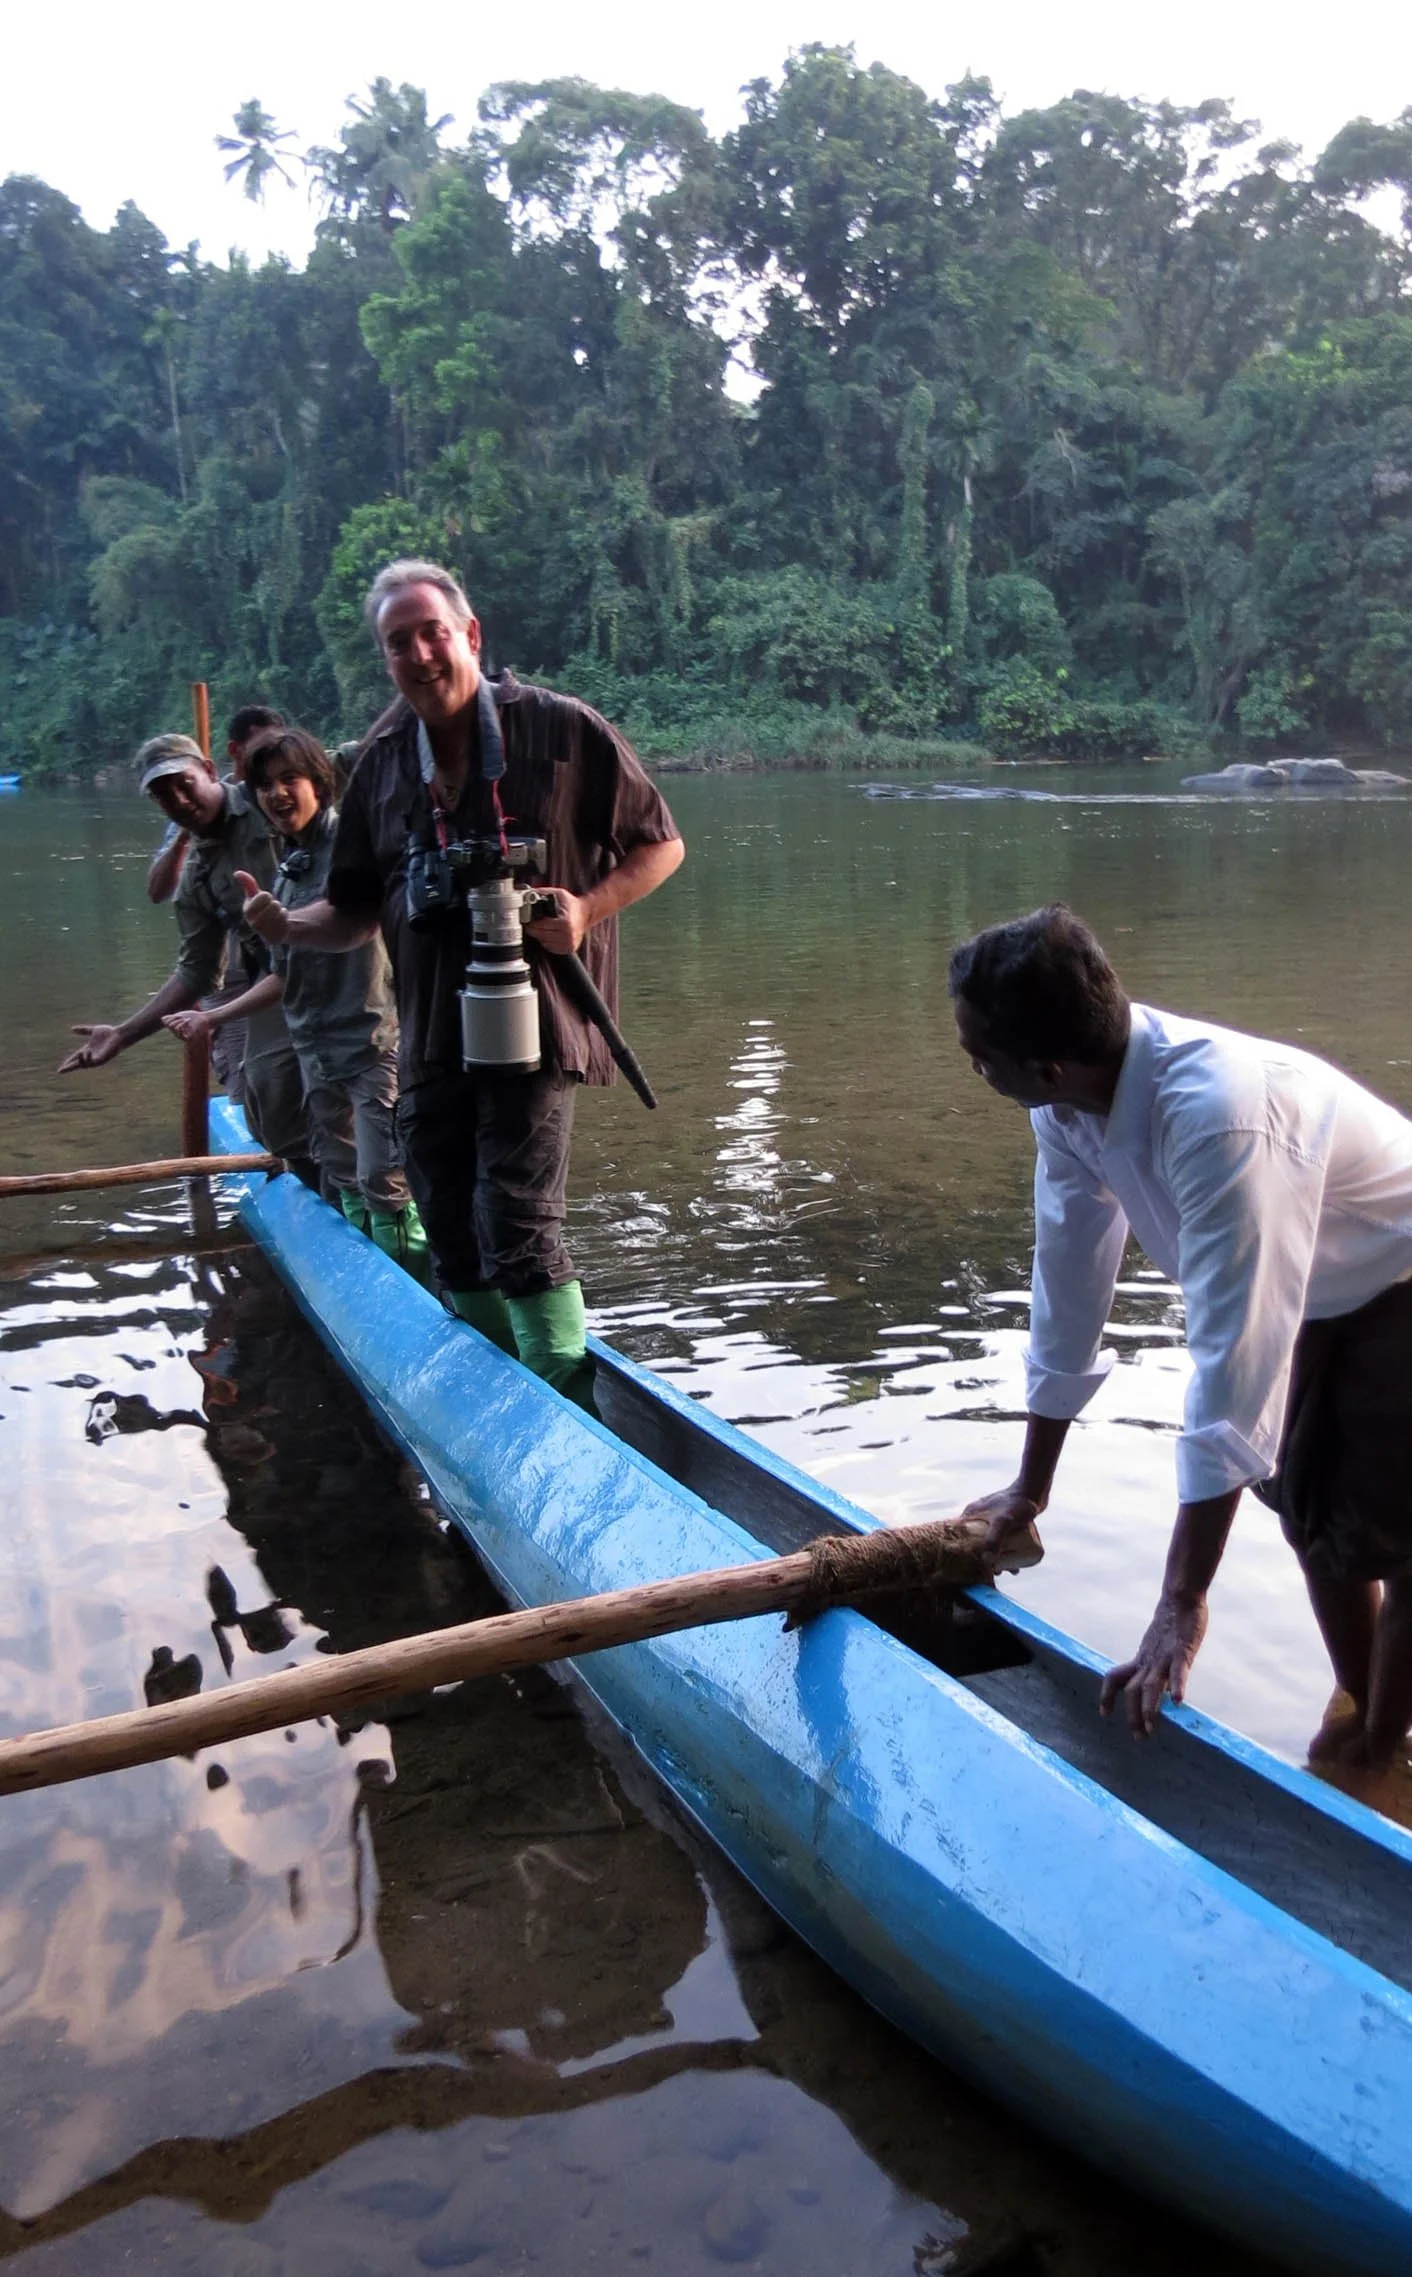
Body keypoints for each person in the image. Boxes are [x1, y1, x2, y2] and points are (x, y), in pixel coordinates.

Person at [948, 904, 1412, 1770]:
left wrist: (1180, 1601)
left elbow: (1229, 1369)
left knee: (1401, 1528)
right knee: (1317, 1519)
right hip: (1321, 1287)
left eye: (980, 1054)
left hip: (1400, 1273)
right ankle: (1364, 1721)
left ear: (1045, 1062)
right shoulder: (1067, 1107)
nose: (971, 1064)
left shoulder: (1217, 1119)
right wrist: (1030, 1486)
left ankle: (1380, 1750)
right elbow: (1068, 1289)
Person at [236, 559, 684, 1407]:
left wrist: (586, 909)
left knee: (517, 1221)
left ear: (469, 634)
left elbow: (660, 843)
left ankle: (563, 1404)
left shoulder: (561, 728)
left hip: (538, 1019)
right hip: (432, 1027)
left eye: (431, 632)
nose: (419, 653)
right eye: (397, 643)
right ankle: (489, 1394)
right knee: (444, 1213)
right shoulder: (379, 764)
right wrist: (287, 928)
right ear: (387, 660)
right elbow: (355, 909)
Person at [163, 728, 427, 1273]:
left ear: (320, 784)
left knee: (386, 1176)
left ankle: (414, 1286)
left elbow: (350, 920)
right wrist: (213, 1015)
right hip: (316, 1049)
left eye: (291, 780)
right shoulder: (287, 873)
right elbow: (282, 976)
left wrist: (288, 925)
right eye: (265, 786)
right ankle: (364, 1277)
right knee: (341, 1171)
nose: (278, 794)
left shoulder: (353, 849)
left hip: (373, 1040)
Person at [59, 732, 309, 1170]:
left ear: (210, 772)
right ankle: (318, 1196)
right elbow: (195, 973)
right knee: (267, 1096)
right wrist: (122, 1034)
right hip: (278, 984)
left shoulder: (265, 797)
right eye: (161, 794)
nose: (177, 799)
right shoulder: (195, 874)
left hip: (348, 963)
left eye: (184, 783)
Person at [146, 704, 285, 905]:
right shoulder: (191, 813)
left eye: (278, 748)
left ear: (209, 770)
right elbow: (157, 893)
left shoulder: (280, 797)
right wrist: (188, 833)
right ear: (235, 751)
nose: (272, 756)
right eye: (261, 749)